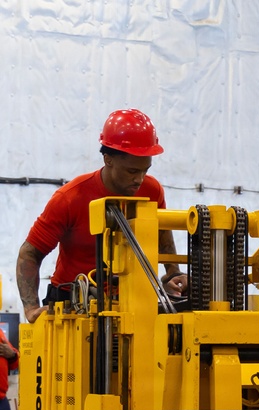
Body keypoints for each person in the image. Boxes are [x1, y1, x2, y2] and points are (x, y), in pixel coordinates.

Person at [16, 109, 188, 324]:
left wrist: (173, 273)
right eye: (132, 171)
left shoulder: (152, 191)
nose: (139, 179)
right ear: (108, 159)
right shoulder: (69, 198)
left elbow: (162, 231)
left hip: (131, 302)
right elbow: (30, 253)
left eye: (145, 170)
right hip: (73, 303)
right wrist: (31, 308)